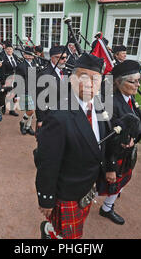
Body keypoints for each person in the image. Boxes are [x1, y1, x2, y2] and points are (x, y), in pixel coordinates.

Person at [35, 53, 110, 239]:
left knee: (68, 231)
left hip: (87, 185)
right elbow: (48, 161)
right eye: (83, 77)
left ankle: (50, 230)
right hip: (67, 191)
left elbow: (101, 145)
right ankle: (50, 231)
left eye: (95, 79)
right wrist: (46, 198)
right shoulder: (59, 115)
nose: (90, 84)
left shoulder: (100, 107)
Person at [96, 60, 141, 225]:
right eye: (133, 81)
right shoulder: (109, 103)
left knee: (120, 183)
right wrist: (111, 168)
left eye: (139, 80)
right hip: (113, 153)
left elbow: (137, 121)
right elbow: (109, 135)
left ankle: (107, 208)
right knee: (104, 184)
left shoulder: (129, 98)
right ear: (118, 82)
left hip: (126, 152)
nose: (138, 85)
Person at [35, 46, 68, 132]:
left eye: (66, 57)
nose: (65, 60)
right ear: (53, 58)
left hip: (62, 113)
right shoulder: (44, 74)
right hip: (49, 115)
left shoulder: (64, 71)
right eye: (62, 58)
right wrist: (40, 119)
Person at [15, 46, 36, 135]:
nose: (30, 56)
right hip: (25, 91)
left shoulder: (34, 64)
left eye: (31, 54)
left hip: (34, 89)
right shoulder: (21, 66)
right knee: (30, 110)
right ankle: (22, 122)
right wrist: (18, 95)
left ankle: (28, 126)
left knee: (32, 110)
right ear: (24, 55)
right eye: (27, 54)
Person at [0, 40, 19, 116]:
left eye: (10, 49)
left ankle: (11, 110)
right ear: (5, 50)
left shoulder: (15, 57)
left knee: (12, 94)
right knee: (4, 94)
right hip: (7, 78)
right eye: (8, 49)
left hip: (14, 78)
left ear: (12, 50)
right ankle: (3, 107)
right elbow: (2, 71)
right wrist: (3, 82)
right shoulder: (3, 58)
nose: (9, 50)